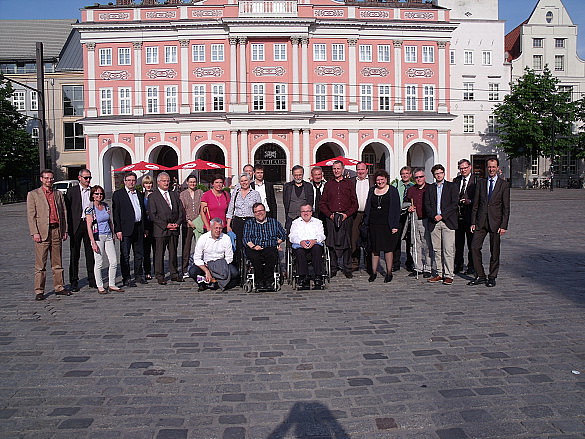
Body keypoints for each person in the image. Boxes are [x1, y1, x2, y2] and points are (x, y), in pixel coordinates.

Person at [27, 169, 71, 301]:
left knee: (57, 263)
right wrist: (34, 232)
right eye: (46, 178)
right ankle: (39, 290)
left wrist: (65, 230)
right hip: (42, 232)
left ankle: (59, 287)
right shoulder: (33, 194)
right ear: (41, 179)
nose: (49, 180)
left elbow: (63, 212)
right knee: (41, 264)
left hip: (56, 230)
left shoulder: (57, 194)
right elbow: (31, 216)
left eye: (51, 178)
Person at [468, 158, 510, 288]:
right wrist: (473, 222)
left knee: (494, 251)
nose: (491, 169)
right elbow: (476, 204)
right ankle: (480, 275)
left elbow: (506, 208)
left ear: (497, 168)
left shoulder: (503, 185)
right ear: (487, 168)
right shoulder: (481, 182)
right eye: (489, 167)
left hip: (495, 222)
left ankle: (492, 276)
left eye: (493, 167)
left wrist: (504, 225)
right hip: (481, 221)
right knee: (474, 247)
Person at [319, 160, 358, 278]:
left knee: (347, 243)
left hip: (346, 217)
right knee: (331, 243)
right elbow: (322, 203)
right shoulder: (328, 184)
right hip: (331, 217)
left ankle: (347, 268)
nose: (336, 171)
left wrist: (346, 215)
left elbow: (354, 203)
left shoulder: (349, 183)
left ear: (343, 169)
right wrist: (330, 215)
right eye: (334, 169)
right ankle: (333, 267)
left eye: (338, 168)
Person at [362, 170, 401, 283]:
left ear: (386, 179)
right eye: (378, 180)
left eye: (382, 179)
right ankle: (373, 273)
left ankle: (389, 273)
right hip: (374, 224)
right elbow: (368, 206)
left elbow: (396, 209)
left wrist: (395, 225)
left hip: (388, 224)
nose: (380, 182)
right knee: (375, 249)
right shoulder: (372, 190)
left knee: (388, 249)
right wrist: (366, 222)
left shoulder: (392, 190)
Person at [423, 164, 459, 285]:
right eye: (436, 173)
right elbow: (427, 205)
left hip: (448, 221)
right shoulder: (430, 188)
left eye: (440, 173)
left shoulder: (452, 186)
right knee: (437, 250)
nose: (438, 175)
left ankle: (449, 274)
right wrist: (434, 216)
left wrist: (442, 215)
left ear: (444, 173)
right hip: (434, 222)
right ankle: (439, 273)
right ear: (433, 175)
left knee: (448, 249)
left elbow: (454, 204)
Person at [147, 172, 185, 285]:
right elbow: (153, 215)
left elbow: (180, 210)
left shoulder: (174, 194)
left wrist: (177, 223)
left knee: (173, 252)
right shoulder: (153, 196)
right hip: (161, 229)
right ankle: (160, 275)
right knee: (159, 253)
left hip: (174, 228)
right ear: (158, 182)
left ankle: (174, 274)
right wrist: (165, 225)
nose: (166, 183)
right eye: (164, 181)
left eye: (168, 180)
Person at [86, 185, 123, 294]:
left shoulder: (106, 206)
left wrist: (113, 232)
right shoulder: (90, 208)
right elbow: (89, 226)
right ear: (92, 195)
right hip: (98, 236)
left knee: (114, 261)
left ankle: (112, 284)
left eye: (101, 194)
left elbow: (109, 221)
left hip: (108, 236)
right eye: (97, 194)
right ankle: (100, 285)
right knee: (99, 262)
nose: (99, 196)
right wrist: (92, 241)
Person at [112, 171, 146, 288]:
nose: (131, 182)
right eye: (129, 180)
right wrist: (118, 230)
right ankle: (126, 278)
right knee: (125, 255)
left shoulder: (139, 193)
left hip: (139, 227)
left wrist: (145, 228)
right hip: (125, 229)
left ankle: (138, 275)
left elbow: (143, 212)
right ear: (125, 182)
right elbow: (116, 213)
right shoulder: (118, 194)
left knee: (139, 253)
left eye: (133, 180)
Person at [243, 203, 287, 291]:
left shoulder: (273, 222)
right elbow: (246, 238)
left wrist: (276, 243)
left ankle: (268, 280)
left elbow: (283, 235)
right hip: (254, 247)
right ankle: (258, 281)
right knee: (255, 258)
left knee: (271, 255)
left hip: (269, 246)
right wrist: (254, 246)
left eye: (261, 210)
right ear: (254, 214)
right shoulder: (249, 223)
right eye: (256, 212)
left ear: (265, 211)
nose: (259, 213)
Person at [65, 168, 96, 291]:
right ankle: (74, 281)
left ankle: (92, 279)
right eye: (86, 178)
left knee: (91, 253)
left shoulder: (93, 191)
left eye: (89, 178)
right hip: (76, 225)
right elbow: (67, 210)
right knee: (74, 254)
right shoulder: (72, 191)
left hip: (89, 224)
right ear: (79, 178)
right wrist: (67, 228)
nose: (88, 180)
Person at [188, 217, 239, 292]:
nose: (218, 230)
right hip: (206, 265)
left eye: (220, 228)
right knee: (192, 271)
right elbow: (197, 258)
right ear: (211, 227)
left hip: (221, 265)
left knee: (235, 273)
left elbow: (229, 258)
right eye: (216, 228)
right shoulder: (203, 238)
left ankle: (214, 282)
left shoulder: (226, 238)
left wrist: (216, 267)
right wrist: (207, 271)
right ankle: (209, 280)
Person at [288, 204, 326, 290]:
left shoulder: (318, 222)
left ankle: (318, 276)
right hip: (300, 245)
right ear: (300, 213)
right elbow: (292, 236)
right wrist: (300, 242)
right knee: (299, 252)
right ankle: (303, 277)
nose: (306, 213)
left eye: (308, 211)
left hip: (314, 244)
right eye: (303, 211)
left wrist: (314, 240)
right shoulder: (295, 223)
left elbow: (322, 235)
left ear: (311, 212)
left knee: (317, 249)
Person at [226, 173, 262, 265]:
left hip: (250, 222)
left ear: (250, 181)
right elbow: (231, 209)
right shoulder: (236, 192)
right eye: (242, 181)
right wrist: (228, 225)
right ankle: (238, 267)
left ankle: (250, 265)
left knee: (249, 244)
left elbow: (259, 210)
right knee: (238, 246)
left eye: (245, 180)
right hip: (238, 222)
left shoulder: (255, 194)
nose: (244, 182)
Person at [405, 168, 434, 278]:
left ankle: (428, 268)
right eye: (416, 177)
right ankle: (418, 267)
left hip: (426, 219)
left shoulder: (430, 188)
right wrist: (409, 207)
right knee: (415, 244)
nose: (419, 179)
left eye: (421, 177)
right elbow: (406, 202)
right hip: (415, 218)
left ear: (424, 177)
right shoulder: (411, 189)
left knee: (427, 244)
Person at [453, 159, 479, 275]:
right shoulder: (456, 180)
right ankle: (458, 264)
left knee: (471, 243)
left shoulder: (477, 180)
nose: (463, 170)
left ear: (470, 167)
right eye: (461, 168)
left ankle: (471, 266)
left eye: (465, 168)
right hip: (458, 216)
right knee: (458, 243)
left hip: (471, 216)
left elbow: (480, 198)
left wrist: (470, 201)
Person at [350, 162, 374, 273]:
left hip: (369, 214)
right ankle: (355, 263)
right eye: (358, 169)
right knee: (354, 239)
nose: (360, 172)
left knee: (369, 239)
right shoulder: (351, 181)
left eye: (362, 169)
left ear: (367, 170)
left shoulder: (373, 180)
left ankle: (369, 264)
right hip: (356, 214)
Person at [180, 174, 204, 277]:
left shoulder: (200, 192)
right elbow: (182, 209)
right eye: (191, 182)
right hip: (188, 224)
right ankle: (185, 269)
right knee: (186, 247)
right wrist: (188, 221)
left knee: (200, 246)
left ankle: (201, 267)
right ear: (187, 183)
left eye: (194, 182)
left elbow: (202, 207)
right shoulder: (183, 194)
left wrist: (199, 220)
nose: (192, 184)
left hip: (199, 223)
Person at [391, 166, 414, 272]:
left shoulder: (413, 186)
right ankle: (396, 262)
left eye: (407, 173)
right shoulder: (395, 186)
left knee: (410, 240)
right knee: (396, 239)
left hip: (409, 215)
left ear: (410, 175)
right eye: (403, 174)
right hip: (398, 215)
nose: (405, 175)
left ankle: (410, 262)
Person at [283, 165, 314, 232]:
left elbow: (310, 202)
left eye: (300, 175)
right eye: (296, 175)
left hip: (304, 217)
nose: (298, 177)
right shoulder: (287, 186)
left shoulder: (308, 186)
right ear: (293, 175)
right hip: (291, 217)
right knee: (290, 238)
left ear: (303, 174)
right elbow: (285, 201)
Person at [142, 175, 155, 280]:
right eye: (146, 183)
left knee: (157, 250)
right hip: (145, 225)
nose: (148, 185)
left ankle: (157, 269)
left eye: (150, 183)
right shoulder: (141, 195)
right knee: (146, 251)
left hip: (155, 225)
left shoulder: (156, 195)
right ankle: (147, 270)